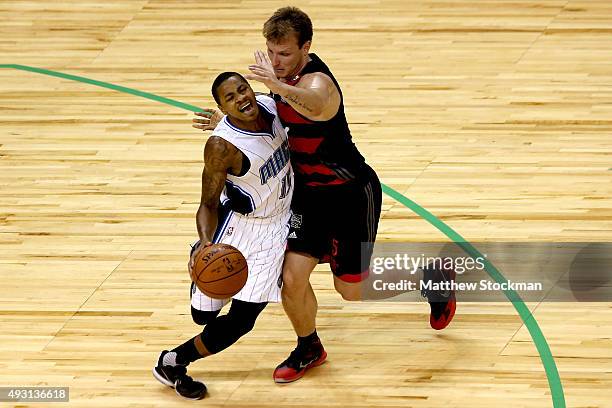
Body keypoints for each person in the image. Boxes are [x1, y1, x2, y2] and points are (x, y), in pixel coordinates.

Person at [193, 6, 456, 385]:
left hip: (350, 194)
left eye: (284, 53)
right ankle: (308, 346)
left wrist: (279, 85)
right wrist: (230, 126)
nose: (276, 61)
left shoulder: (319, 83)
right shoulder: (280, 78)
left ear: (306, 48)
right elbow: (273, 125)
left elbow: (313, 106)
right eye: (271, 52)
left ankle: (430, 278)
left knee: (351, 289)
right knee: (292, 275)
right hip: (309, 198)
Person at [154, 72, 293, 399]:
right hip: (239, 228)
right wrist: (206, 246)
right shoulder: (221, 147)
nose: (242, 98)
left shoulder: (270, 106)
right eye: (230, 98)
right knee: (202, 314)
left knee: (243, 319)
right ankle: (201, 262)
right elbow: (207, 204)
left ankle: (173, 361)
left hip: (276, 229)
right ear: (222, 106)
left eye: (242, 90)